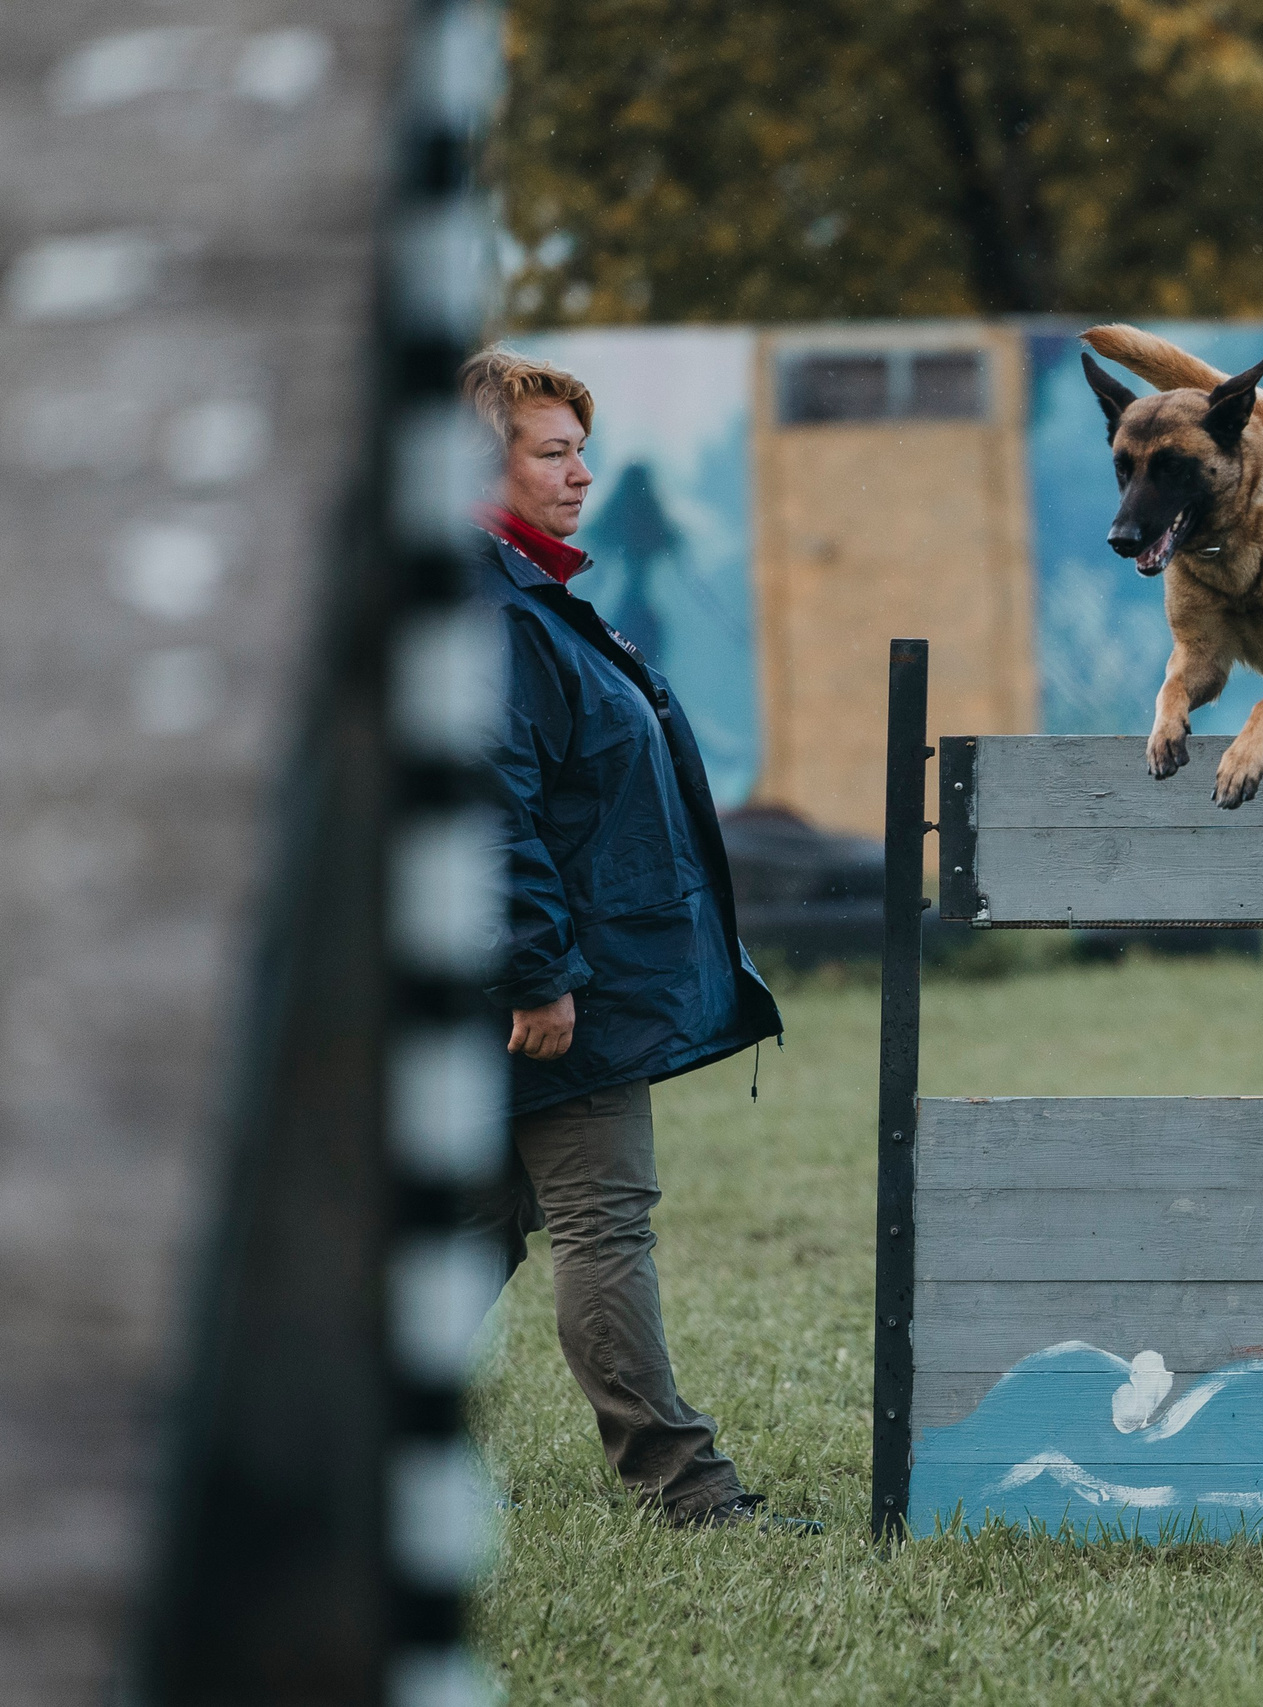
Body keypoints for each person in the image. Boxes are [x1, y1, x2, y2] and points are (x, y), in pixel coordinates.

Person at [458, 348, 798, 1530]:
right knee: (604, 1224)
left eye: (580, 451)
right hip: (554, 989)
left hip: (542, 975)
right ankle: (686, 1488)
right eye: (552, 454)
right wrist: (540, 972)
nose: (581, 475)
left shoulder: (525, 598)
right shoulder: (494, 614)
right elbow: (490, 807)